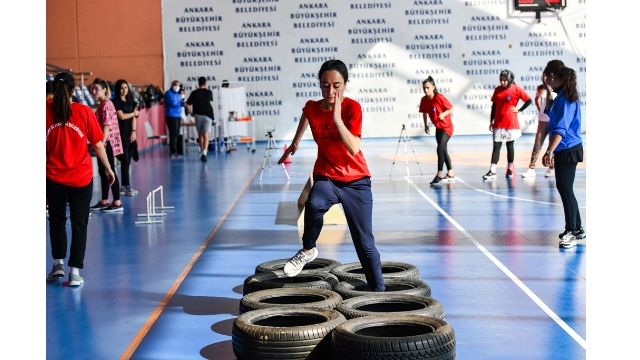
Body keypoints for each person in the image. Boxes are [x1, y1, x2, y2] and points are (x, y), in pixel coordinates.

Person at [277, 59, 385, 292]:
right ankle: (308, 250)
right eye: (325, 85)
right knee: (314, 204)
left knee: (364, 243)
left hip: (356, 181)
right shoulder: (312, 107)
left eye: (336, 85)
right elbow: (307, 116)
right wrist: (295, 142)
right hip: (327, 175)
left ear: (345, 84)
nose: (330, 91)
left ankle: (379, 292)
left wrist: (337, 119)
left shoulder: (352, 108)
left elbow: (354, 147)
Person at [47, 72, 115, 286]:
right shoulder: (84, 111)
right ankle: (74, 272)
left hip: (53, 177)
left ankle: (58, 262)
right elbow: (97, 144)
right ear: (74, 90)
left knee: (56, 221)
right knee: (79, 224)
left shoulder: (44, 111)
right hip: (81, 178)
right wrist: (108, 167)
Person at [541, 61, 585, 249]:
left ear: (552, 75)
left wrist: (549, 150)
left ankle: (571, 232)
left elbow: (561, 129)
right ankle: (578, 228)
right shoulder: (560, 95)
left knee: (565, 189)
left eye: (546, 77)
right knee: (566, 188)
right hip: (566, 148)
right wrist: (548, 91)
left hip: (567, 148)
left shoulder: (566, 97)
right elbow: (549, 112)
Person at [483, 70, 533, 179]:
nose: (502, 82)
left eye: (504, 80)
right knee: (496, 146)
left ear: (509, 80)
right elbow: (494, 106)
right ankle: (492, 171)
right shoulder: (497, 90)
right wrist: (491, 121)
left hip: (511, 122)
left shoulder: (516, 88)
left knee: (510, 146)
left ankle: (510, 169)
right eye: (501, 80)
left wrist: (519, 110)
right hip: (498, 123)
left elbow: (528, 100)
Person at [90, 78, 124, 212]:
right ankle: (104, 200)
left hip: (107, 143)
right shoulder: (102, 104)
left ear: (104, 90)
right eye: (92, 89)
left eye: (96, 89)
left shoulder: (106, 105)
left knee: (110, 172)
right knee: (102, 172)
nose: (93, 91)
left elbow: (107, 126)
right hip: (103, 143)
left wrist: (101, 144)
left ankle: (117, 202)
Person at [419, 76, 455, 185]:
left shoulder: (439, 98)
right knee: (443, 150)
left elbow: (451, 108)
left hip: (447, 128)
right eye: (424, 88)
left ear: (433, 87)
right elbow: (424, 112)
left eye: (428, 88)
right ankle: (450, 173)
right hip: (438, 128)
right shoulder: (424, 100)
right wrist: (425, 125)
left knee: (440, 149)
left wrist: (444, 114)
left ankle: (439, 174)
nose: (426, 90)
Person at [522, 80, 556, 178]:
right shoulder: (540, 88)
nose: (546, 78)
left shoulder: (555, 89)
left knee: (552, 145)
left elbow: (555, 102)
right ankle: (531, 168)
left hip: (552, 121)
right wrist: (540, 110)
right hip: (542, 120)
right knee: (537, 144)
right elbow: (536, 99)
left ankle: (551, 168)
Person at [112, 79, 138, 196]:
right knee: (125, 160)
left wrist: (133, 132)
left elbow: (134, 119)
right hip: (119, 133)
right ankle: (125, 186)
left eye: (126, 88)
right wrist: (134, 113)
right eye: (122, 88)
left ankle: (124, 185)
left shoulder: (132, 102)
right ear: (118, 89)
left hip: (129, 132)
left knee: (128, 161)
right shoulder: (115, 102)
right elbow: (121, 116)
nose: (124, 90)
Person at [186, 77, 215, 162]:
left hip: (198, 115)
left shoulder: (194, 93)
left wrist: (191, 113)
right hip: (208, 115)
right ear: (205, 83)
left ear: (198, 83)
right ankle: (204, 153)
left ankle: (202, 150)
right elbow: (211, 102)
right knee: (206, 135)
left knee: (200, 134)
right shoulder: (209, 92)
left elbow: (188, 103)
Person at [164, 80, 186, 157]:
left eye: (179, 85)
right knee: (173, 133)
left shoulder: (177, 94)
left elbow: (180, 102)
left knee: (176, 133)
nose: (177, 87)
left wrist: (183, 104)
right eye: (176, 85)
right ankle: (173, 151)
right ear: (172, 85)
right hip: (171, 115)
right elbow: (173, 103)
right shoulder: (168, 93)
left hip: (178, 116)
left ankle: (175, 149)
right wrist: (180, 103)